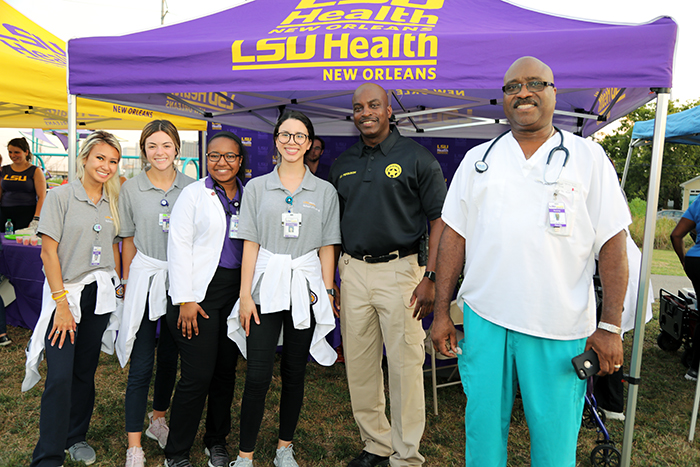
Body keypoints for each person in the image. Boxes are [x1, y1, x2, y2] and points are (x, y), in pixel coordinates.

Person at [431, 56, 630, 466]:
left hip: (558, 324)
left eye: (535, 83)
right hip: (486, 318)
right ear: (503, 99)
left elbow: (613, 244)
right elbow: (454, 236)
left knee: (555, 441)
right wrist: (441, 314)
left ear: (554, 93)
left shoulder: (587, 158)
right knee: (482, 432)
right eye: (512, 86)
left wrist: (610, 326)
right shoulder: (478, 160)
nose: (523, 92)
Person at [328, 83, 447, 467]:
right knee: (360, 366)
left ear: (389, 110)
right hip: (353, 272)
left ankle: (406, 455)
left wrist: (430, 274)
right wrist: (333, 279)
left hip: (402, 272)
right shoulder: (342, 162)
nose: (366, 112)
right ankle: (376, 444)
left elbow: (440, 221)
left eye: (374, 105)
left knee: (405, 366)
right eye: (359, 107)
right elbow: (333, 226)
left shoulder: (417, 158)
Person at [228, 110, 340, 467]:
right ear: (276, 140)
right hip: (264, 288)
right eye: (285, 135)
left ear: (310, 144)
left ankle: (283, 448)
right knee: (258, 375)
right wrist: (245, 296)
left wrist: (326, 293)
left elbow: (327, 247)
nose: (292, 142)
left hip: (304, 289)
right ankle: (245, 455)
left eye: (300, 136)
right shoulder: (258, 187)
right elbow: (250, 244)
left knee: (295, 372)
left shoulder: (325, 191)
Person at [23, 130, 123, 467]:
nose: (106, 166)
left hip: (99, 295)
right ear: (84, 159)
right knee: (60, 376)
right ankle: (48, 456)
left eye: (113, 161)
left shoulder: (113, 200)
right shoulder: (60, 197)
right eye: (100, 158)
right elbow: (48, 252)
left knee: (84, 372)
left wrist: (118, 283)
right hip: (66, 295)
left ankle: (75, 436)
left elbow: (112, 244)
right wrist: (62, 304)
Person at [164, 131, 247, 467]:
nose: (221, 162)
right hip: (199, 294)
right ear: (206, 159)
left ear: (240, 161)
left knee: (225, 371)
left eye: (229, 156)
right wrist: (185, 298)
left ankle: (216, 441)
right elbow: (178, 246)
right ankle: (176, 452)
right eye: (214, 155)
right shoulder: (193, 194)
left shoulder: (249, 195)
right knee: (197, 376)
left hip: (236, 292)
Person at [117, 120, 194, 467]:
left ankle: (158, 419)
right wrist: (126, 282)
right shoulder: (130, 189)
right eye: (152, 146)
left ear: (177, 148)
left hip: (179, 286)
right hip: (146, 282)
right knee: (142, 363)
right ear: (143, 150)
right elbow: (128, 241)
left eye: (166, 145)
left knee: (171, 359)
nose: (159, 153)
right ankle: (135, 444)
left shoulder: (193, 189)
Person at [671, 196, 700, 381]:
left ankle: (694, 368)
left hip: (695, 260)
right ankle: (695, 368)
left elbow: (676, 235)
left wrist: (683, 259)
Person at [1, 137, 47, 232]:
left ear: (26, 152)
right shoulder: (3, 170)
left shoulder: (35, 171)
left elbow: (42, 196)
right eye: (10, 152)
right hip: (4, 213)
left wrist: (36, 218)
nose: (13, 155)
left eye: (17, 152)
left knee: (21, 243)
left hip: (27, 213)